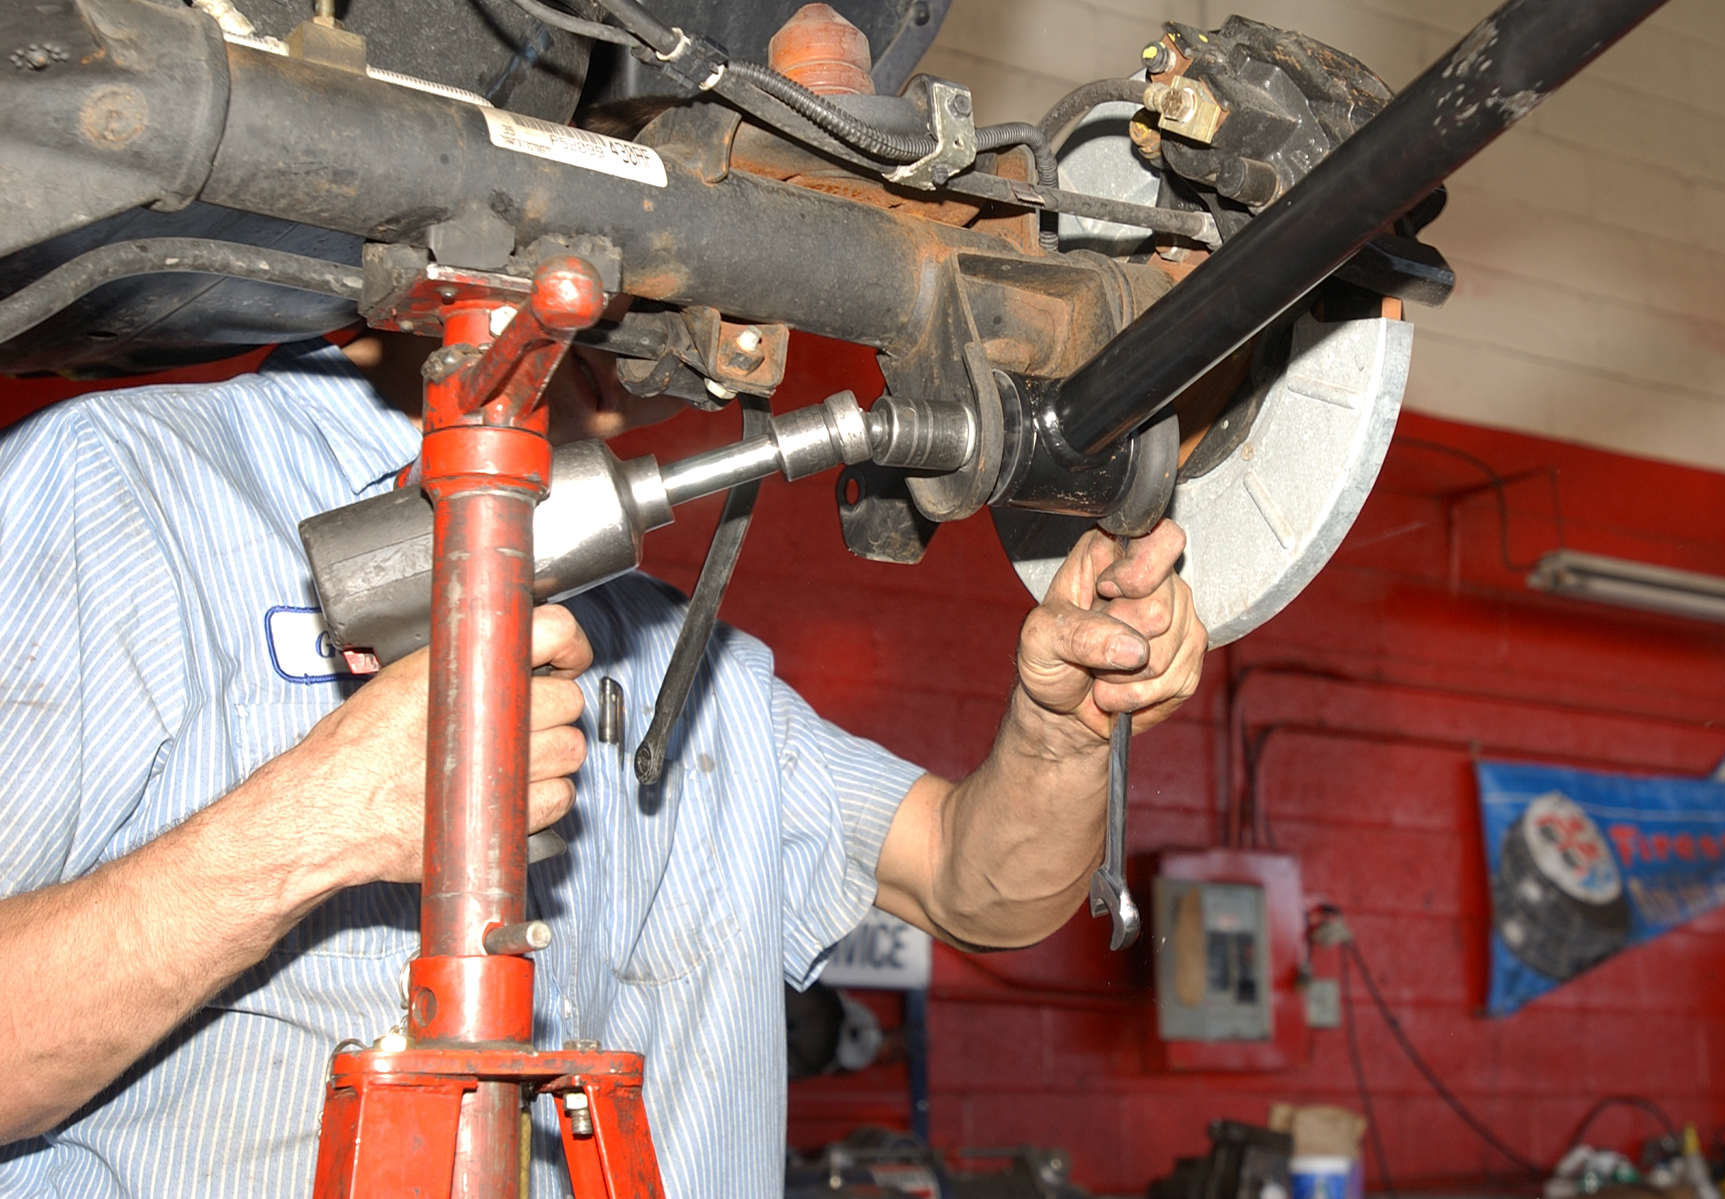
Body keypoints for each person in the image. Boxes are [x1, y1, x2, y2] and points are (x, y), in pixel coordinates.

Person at [0, 330, 1206, 1198]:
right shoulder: (130, 491)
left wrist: (1059, 735)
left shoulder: (679, 656)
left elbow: (973, 886)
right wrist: (312, 827)